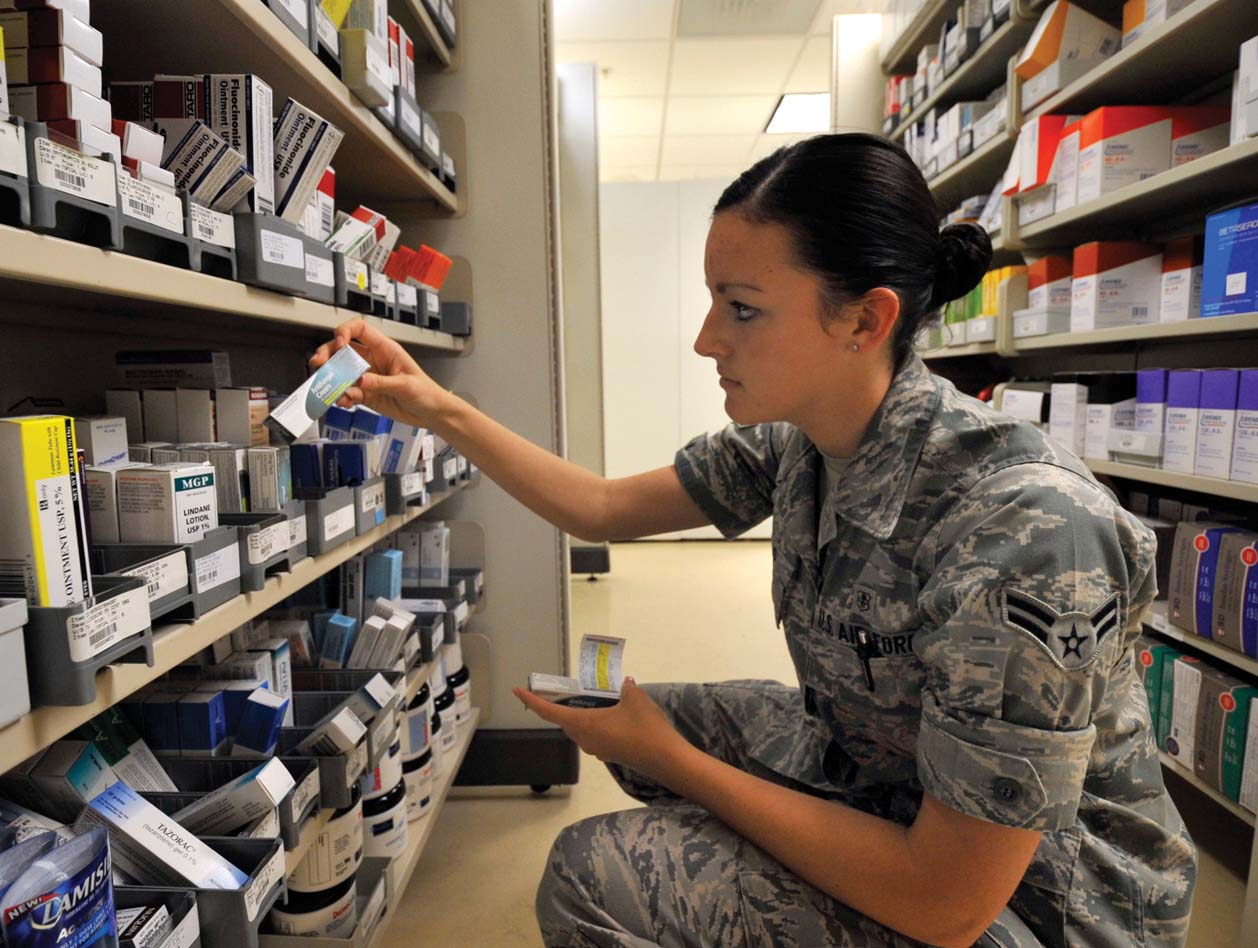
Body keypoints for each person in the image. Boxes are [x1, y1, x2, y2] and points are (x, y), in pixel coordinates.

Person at [309, 133, 1196, 948]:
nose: (706, 340)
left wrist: (678, 765)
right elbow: (602, 508)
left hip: (1036, 909)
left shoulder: (1025, 533)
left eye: (741, 309)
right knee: (637, 710)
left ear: (864, 320)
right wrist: (439, 407)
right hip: (896, 780)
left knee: (591, 871)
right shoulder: (803, 441)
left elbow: (949, 903)